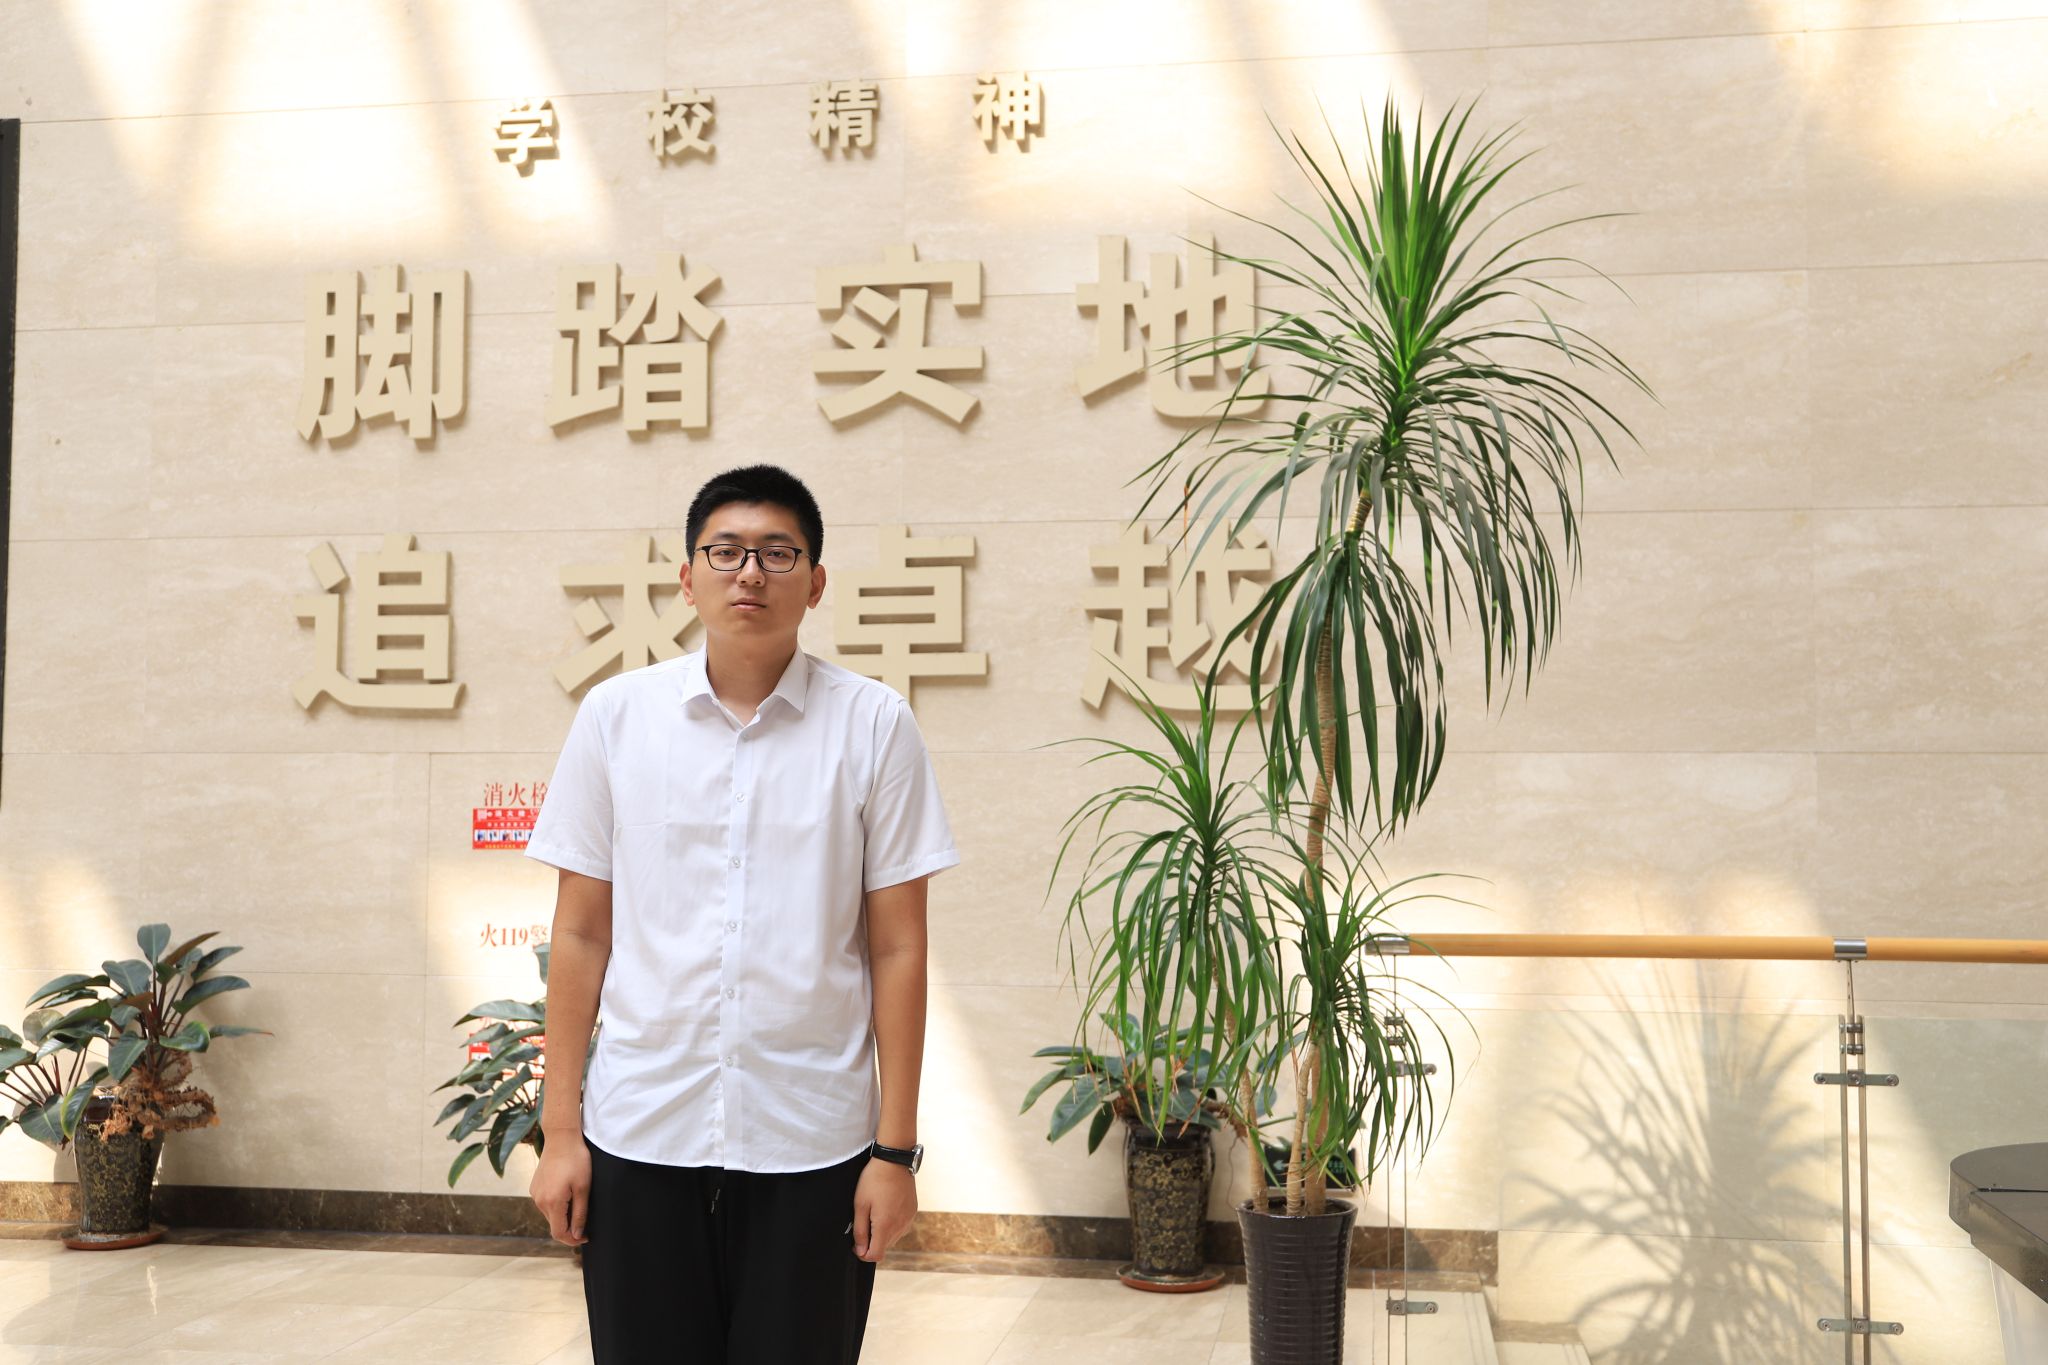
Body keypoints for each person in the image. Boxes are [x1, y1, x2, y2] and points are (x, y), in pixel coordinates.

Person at [523, 464, 957, 1365]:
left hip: (814, 1141)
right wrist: (561, 1133)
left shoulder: (875, 726)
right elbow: (582, 933)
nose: (750, 571)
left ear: (816, 581)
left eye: (777, 552)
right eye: (725, 551)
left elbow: (899, 948)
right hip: (642, 1133)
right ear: (688, 578)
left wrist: (895, 1153)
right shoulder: (615, 717)